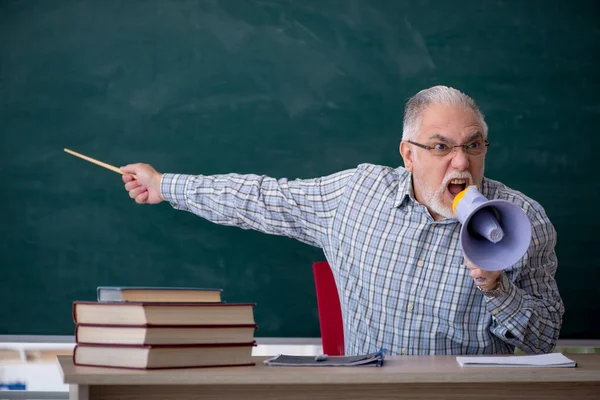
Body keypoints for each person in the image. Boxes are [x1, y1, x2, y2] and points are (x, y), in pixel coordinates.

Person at [121, 86, 564, 355]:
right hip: (366, 390)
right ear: (407, 154)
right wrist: (165, 186)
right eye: (440, 147)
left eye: (473, 145)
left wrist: (496, 288)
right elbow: (261, 197)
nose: (460, 162)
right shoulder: (356, 195)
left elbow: (544, 338)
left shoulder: (525, 219)